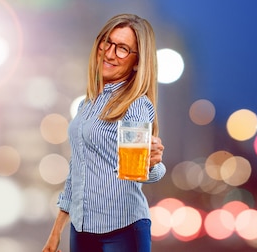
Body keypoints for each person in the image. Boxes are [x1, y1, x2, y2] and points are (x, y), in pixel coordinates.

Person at [42, 13, 166, 252]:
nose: (109, 53)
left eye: (122, 49)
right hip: (81, 229)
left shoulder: (136, 105)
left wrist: (152, 165)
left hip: (123, 229)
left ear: (138, 61)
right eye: (107, 42)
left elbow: (138, 170)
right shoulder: (86, 105)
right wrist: (56, 231)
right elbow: (75, 172)